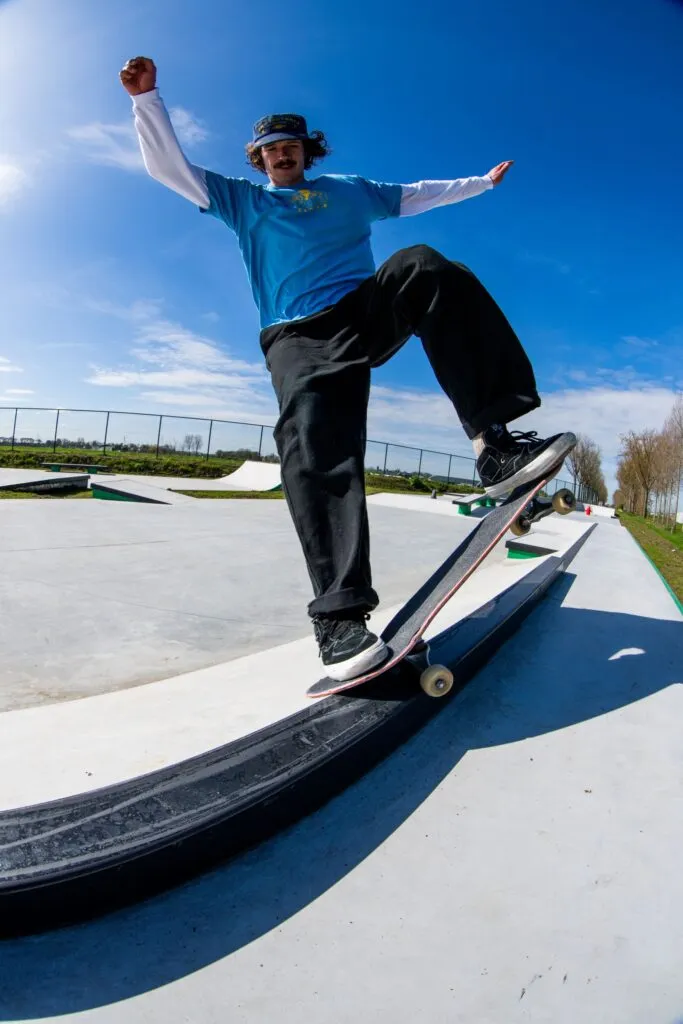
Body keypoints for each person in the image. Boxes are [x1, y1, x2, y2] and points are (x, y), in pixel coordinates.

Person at [120, 56, 576, 682]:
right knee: (316, 437)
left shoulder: (350, 191)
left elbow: (416, 195)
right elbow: (168, 169)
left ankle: (494, 446)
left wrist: (480, 184)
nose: (281, 155)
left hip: (363, 313)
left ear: (308, 151)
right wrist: (147, 101)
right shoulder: (241, 200)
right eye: (270, 149)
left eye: (290, 146)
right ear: (259, 158)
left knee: (425, 266)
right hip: (298, 335)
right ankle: (339, 617)